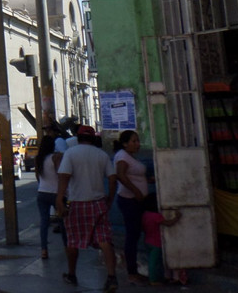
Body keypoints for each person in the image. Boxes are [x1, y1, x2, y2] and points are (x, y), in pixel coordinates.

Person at [55, 125, 118, 293]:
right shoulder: (102, 155)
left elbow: (64, 176)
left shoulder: (71, 153)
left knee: (72, 240)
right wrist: (110, 198)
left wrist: (59, 199)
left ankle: (72, 274)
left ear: (78, 137)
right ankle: (112, 277)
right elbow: (112, 178)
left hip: (76, 203)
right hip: (98, 203)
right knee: (104, 240)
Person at [114, 130, 150, 284]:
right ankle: (132, 272)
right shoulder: (122, 157)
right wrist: (136, 191)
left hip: (136, 200)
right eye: (134, 141)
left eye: (138, 141)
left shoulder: (129, 157)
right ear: (125, 143)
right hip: (129, 201)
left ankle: (134, 270)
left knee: (135, 234)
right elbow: (120, 175)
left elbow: (134, 175)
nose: (137, 144)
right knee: (132, 236)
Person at [141, 193, 186, 286]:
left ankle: (158, 278)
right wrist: (177, 217)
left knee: (152, 261)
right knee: (155, 262)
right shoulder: (156, 216)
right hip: (156, 243)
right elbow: (168, 223)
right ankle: (153, 280)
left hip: (147, 240)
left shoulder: (145, 214)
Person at [35, 135, 65, 260]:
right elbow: (60, 173)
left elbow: (37, 176)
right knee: (63, 221)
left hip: (42, 192)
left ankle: (43, 249)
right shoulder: (55, 157)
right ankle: (67, 246)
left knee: (44, 222)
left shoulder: (39, 158)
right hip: (55, 193)